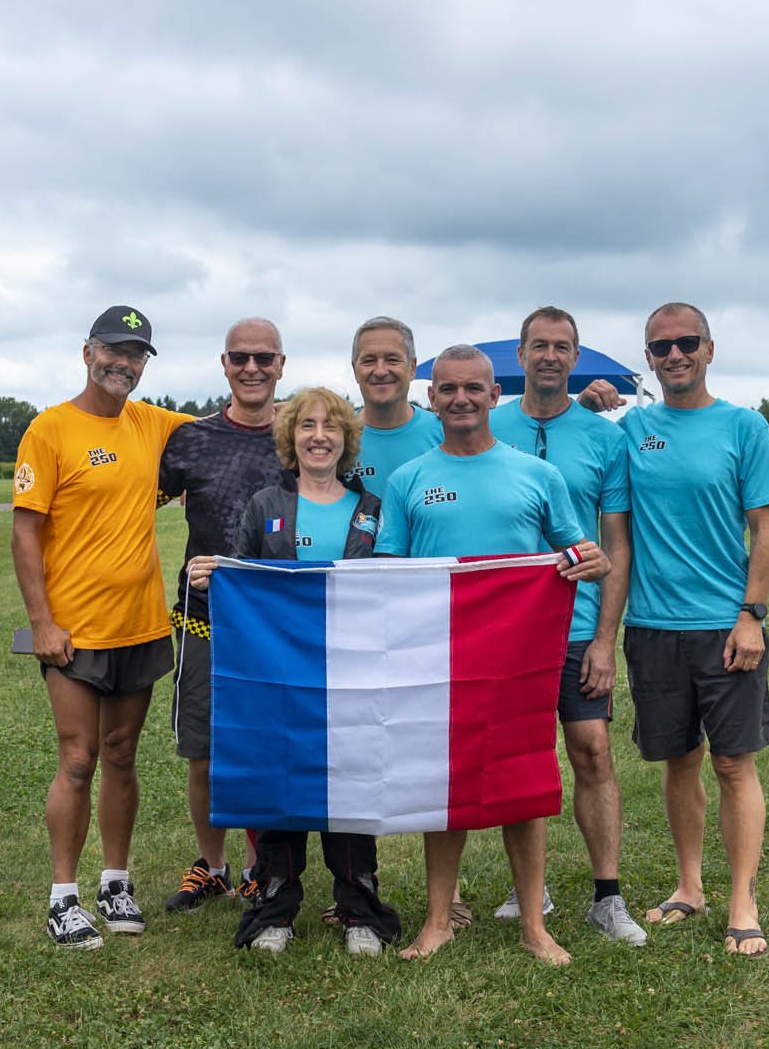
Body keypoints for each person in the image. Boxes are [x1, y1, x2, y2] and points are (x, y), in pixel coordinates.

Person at [376, 344, 607, 964]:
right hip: (439, 659)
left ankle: (534, 924)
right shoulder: (410, 480)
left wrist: (594, 561)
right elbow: (389, 572)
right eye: (447, 390)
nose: (460, 400)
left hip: (517, 659)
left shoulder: (537, 475)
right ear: (432, 399)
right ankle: (437, 921)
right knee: (443, 787)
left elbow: (580, 550)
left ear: (493, 394)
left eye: (473, 389)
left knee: (523, 785)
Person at [187, 387, 403, 956]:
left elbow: (392, 589)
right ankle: (275, 908)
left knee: (352, 784)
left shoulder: (372, 510)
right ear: (291, 437)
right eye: (306, 425)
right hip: (280, 675)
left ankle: (359, 907)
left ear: (346, 439)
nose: (318, 436)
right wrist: (216, 575)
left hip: (351, 675)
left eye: (331, 426)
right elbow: (239, 578)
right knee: (282, 783)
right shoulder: (264, 506)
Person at [12, 306, 196, 950]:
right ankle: (63, 897)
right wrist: (42, 622)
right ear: (88, 352)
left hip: (140, 626)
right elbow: (25, 532)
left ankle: (115, 882)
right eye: (115, 350)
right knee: (78, 758)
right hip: (74, 632)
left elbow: (233, 429)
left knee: (121, 756)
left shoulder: (154, 425)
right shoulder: (50, 429)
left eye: (137, 354)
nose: (125, 363)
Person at [621, 302, 769, 957]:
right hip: (652, 626)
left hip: (725, 625)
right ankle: (690, 886)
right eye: (661, 347)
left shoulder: (743, 427)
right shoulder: (633, 430)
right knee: (680, 761)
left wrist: (752, 615)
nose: (675, 355)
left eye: (686, 343)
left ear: (709, 349)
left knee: (734, 763)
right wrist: (590, 393)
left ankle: (742, 897)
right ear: (649, 359)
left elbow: (766, 528)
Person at [487, 306, 646, 945]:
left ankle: (607, 896)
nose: (550, 356)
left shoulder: (605, 438)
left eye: (562, 347)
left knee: (593, 751)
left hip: (577, 626)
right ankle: (532, 890)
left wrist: (606, 640)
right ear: (520, 356)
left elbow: (617, 544)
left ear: (575, 359)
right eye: (539, 346)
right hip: (505, 629)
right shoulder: (487, 423)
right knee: (517, 759)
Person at [155, 319, 288, 914]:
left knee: (266, 747)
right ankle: (213, 866)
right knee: (204, 750)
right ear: (224, 363)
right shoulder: (190, 439)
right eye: (241, 358)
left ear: (282, 363)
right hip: (206, 620)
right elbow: (133, 503)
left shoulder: (301, 434)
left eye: (264, 358)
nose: (252, 368)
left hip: (278, 624)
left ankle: (265, 867)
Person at [347, 316, 443, 503]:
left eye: (392, 359)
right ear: (355, 370)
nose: (381, 371)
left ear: (412, 368)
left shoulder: (444, 433)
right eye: (369, 360)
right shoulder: (334, 436)